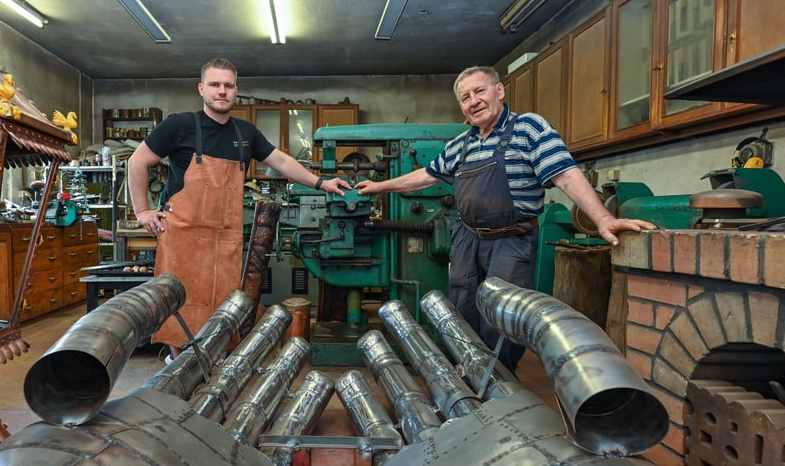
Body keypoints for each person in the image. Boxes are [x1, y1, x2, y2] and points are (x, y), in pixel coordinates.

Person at [356, 65, 655, 372]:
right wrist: (380, 186)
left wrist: (603, 217)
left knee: (503, 315)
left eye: (480, 91)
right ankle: (468, 372)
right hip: (467, 238)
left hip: (511, 240)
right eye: (465, 97)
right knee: (462, 308)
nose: (473, 101)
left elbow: (565, 175)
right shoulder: (461, 144)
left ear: (499, 91)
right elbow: (426, 176)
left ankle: (499, 383)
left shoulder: (528, 128)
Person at [128, 58, 350, 356]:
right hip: (182, 238)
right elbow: (137, 161)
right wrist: (142, 211)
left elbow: (281, 161)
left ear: (236, 91)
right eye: (215, 85)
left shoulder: (245, 133)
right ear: (201, 89)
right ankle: (178, 367)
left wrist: (321, 183)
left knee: (223, 309)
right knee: (180, 307)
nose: (222, 91)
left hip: (225, 241)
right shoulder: (179, 126)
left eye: (228, 86)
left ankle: (211, 368)